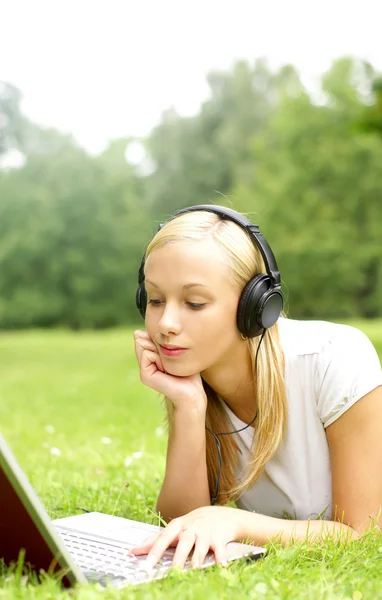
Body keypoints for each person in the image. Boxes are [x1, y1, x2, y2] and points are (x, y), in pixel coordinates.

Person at [130, 205, 382, 571]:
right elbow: (181, 522)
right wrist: (188, 406)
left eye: (194, 303)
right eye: (154, 300)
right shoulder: (198, 381)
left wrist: (237, 522)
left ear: (255, 307)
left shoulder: (334, 357)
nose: (166, 323)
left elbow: (365, 532)